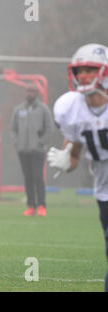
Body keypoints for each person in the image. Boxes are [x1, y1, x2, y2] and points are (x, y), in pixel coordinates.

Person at [46, 43, 108, 292]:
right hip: (104, 192)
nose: (83, 76)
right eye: (79, 70)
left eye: (90, 70)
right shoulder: (70, 107)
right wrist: (66, 160)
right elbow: (74, 155)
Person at [10, 83, 53, 216]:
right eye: (28, 91)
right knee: (27, 178)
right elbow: (13, 128)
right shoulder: (19, 109)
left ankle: (41, 206)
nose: (30, 93)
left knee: (38, 177)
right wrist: (16, 142)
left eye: (32, 91)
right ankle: (30, 206)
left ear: (36, 93)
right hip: (23, 150)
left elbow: (49, 128)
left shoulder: (43, 109)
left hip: (38, 151)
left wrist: (41, 142)